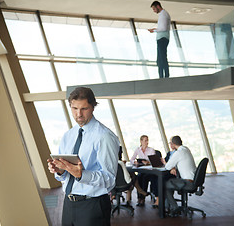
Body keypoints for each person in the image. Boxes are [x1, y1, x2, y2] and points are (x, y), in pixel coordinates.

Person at [47, 87, 119, 226]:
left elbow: (109, 180)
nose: (78, 114)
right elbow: (63, 174)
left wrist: (81, 175)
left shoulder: (104, 137)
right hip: (68, 203)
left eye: (84, 109)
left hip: (93, 206)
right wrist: (60, 170)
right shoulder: (69, 135)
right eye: (74, 108)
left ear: (93, 107)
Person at [164, 136, 196, 217]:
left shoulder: (178, 153)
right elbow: (181, 162)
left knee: (166, 185)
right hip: (193, 180)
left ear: (173, 144)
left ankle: (174, 208)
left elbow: (167, 167)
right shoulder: (186, 149)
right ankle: (168, 206)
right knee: (171, 183)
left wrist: (167, 164)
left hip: (187, 182)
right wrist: (174, 167)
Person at [130, 135, 157, 206]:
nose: (146, 142)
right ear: (141, 141)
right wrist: (135, 162)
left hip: (149, 171)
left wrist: (148, 162)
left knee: (144, 178)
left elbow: (154, 162)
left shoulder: (151, 150)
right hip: (141, 170)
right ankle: (140, 198)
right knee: (138, 178)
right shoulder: (138, 149)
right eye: (145, 140)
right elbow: (132, 159)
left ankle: (142, 198)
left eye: (147, 140)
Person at [148, 1, 171, 78]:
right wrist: (155, 29)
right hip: (161, 38)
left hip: (162, 38)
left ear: (158, 6)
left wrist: (154, 30)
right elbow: (162, 27)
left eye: (154, 9)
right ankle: (161, 77)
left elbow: (163, 28)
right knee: (159, 60)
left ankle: (166, 77)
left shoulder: (164, 14)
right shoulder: (162, 14)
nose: (154, 11)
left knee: (162, 58)